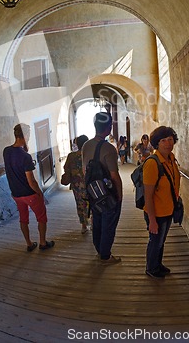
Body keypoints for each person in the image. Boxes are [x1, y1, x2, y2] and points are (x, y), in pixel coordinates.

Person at [3, 123, 55, 252]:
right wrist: (40, 193)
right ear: (26, 135)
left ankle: (29, 243)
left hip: (16, 194)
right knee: (41, 217)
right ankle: (43, 243)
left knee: (23, 218)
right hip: (29, 194)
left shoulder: (6, 151)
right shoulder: (25, 156)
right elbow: (31, 181)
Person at [82, 112, 123, 265]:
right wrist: (119, 195)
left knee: (97, 221)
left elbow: (85, 171)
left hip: (93, 192)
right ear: (108, 127)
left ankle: (99, 250)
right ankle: (105, 256)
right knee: (109, 224)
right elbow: (114, 176)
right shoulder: (109, 148)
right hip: (107, 193)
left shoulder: (86, 145)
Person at [143, 125, 180, 278]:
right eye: (163, 140)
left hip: (168, 210)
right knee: (155, 241)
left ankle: (157, 264)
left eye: (170, 139)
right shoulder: (153, 163)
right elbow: (148, 195)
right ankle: (151, 268)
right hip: (156, 212)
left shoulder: (171, 160)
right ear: (157, 143)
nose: (168, 143)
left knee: (161, 241)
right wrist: (152, 220)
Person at [64, 134, 90, 234]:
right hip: (89, 184)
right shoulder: (89, 155)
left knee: (80, 204)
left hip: (77, 185)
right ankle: (93, 222)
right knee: (92, 203)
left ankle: (83, 225)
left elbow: (66, 168)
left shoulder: (71, 156)